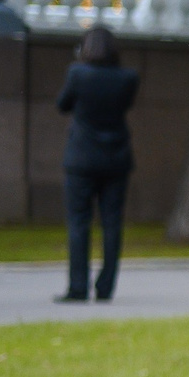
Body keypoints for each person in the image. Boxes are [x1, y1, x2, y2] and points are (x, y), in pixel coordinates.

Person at [56, 26, 138, 304]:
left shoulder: (77, 74)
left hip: (82, 158)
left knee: (79, 223)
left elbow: (62, 104)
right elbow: (125, 106)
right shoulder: (128, 78)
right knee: (112, 223)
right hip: (116, 158)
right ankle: (105, 287)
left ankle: (78, 287)